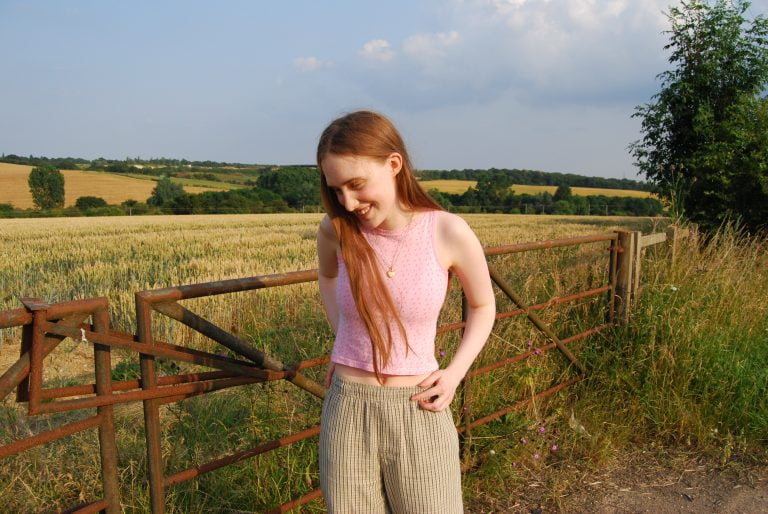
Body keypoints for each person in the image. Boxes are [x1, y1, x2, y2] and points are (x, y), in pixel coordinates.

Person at [316, 110, 496, 513]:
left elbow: (483, 305)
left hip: (419, 408)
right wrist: (344, 338)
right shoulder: (335, 230)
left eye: (356, 184)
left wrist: (454, 374)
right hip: (347, 408)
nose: (348, 202)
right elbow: (327, 277)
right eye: (336, 189)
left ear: (394, 164)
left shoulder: (446, 231)